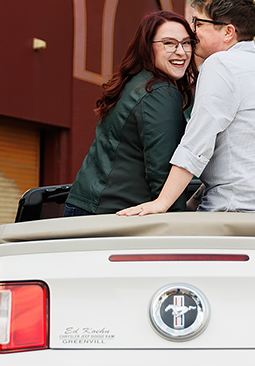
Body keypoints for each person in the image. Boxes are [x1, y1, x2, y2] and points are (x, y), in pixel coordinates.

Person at [118, 0, 255, 218]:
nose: (192, 32)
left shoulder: (221, 64)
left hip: (249, 217)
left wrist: (162, 202)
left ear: (228, 32)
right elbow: (242, 158)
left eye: (199, 23)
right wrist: (193, 202)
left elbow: (196, 144)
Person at [63, 11, 198, 215]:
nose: (181, 52)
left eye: (186, 43)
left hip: (87, 208)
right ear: (147, 47)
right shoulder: (160, 92)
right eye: (169, 43)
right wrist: (177, 220)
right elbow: (162, 170)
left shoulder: (134, 82)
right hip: (113, 217)